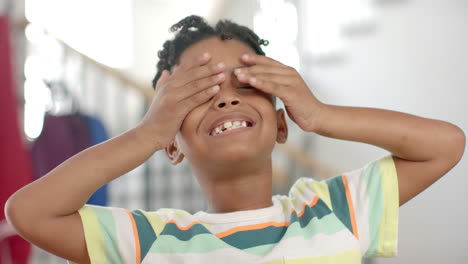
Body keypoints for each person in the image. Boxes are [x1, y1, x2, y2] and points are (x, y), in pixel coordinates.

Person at [5, 15, 465, 264]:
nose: (225, 101)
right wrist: (146, 131)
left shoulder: (335, 212)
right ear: (172, 144)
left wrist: (320, 114)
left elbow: (444, 144)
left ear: (282, 124)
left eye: (246, 87)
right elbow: (28, 212)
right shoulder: (150, 241)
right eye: (200, 95)